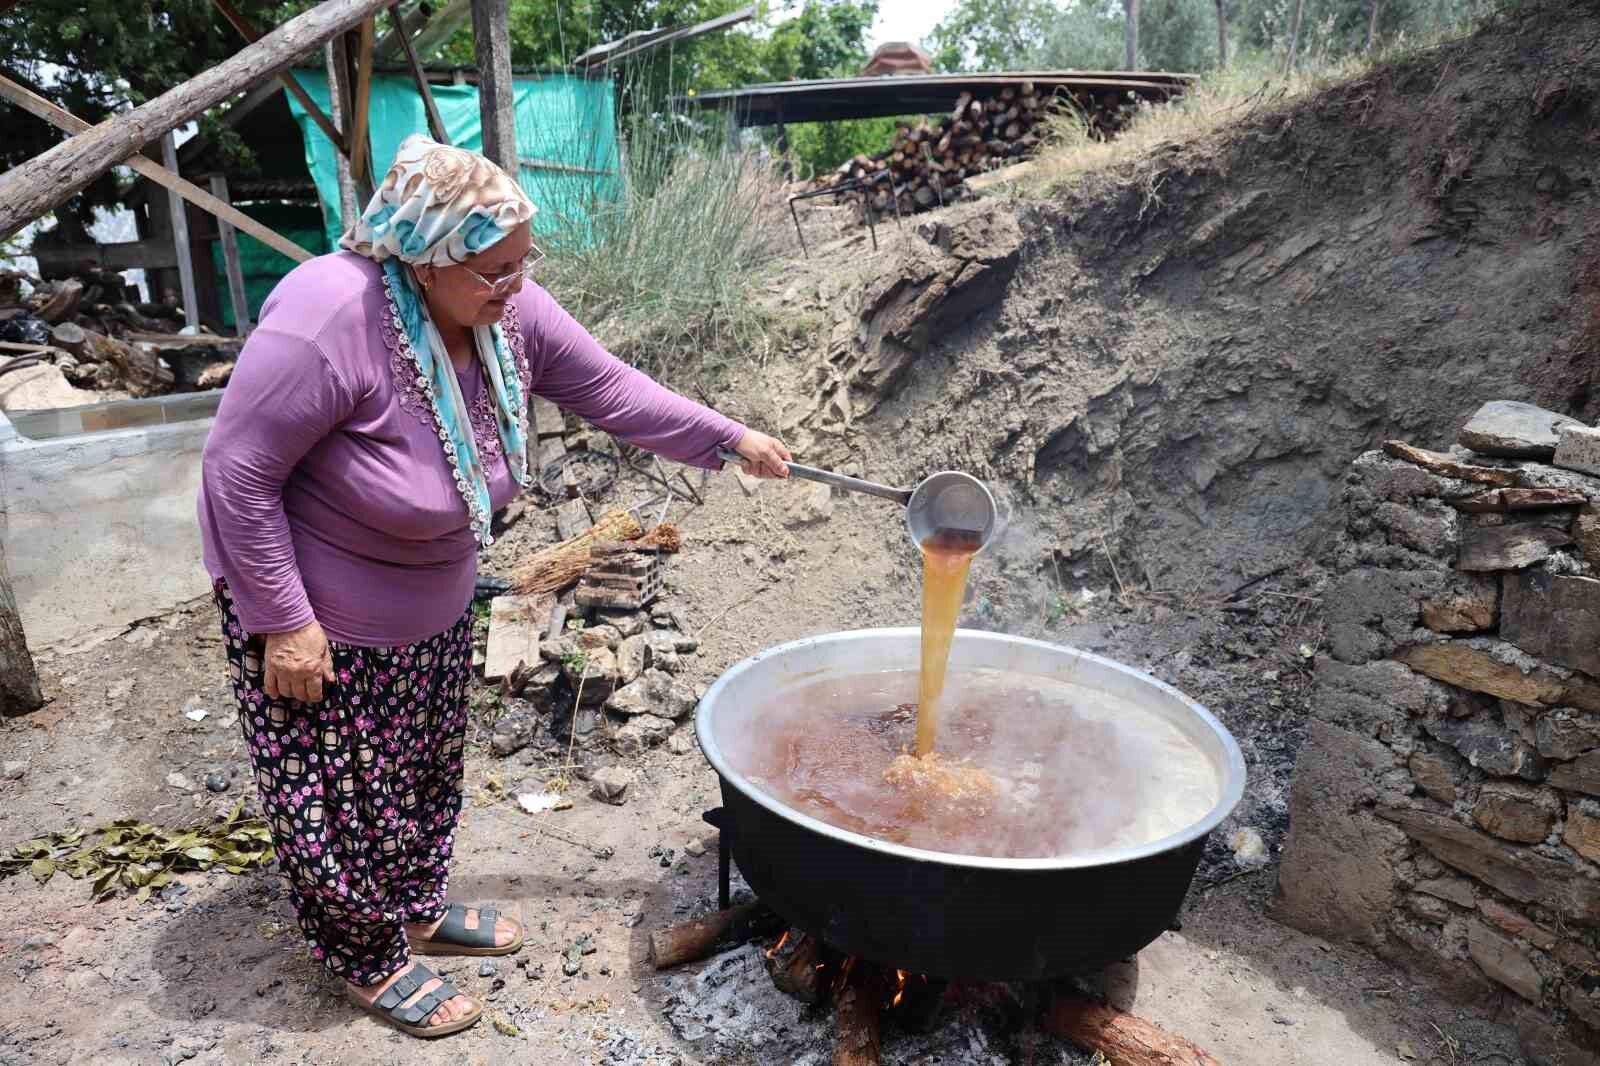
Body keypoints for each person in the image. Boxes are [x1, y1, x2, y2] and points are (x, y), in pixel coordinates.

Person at [197, 135, 791, 1039]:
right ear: (426, 259)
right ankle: (365, 956)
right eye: (496, 270)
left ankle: (419, 909)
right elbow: (236, 474)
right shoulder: (329, 321)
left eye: (524, 263)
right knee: (342, 796)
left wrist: (726, 438)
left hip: (431, 595)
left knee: (423, 772)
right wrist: (283, 620)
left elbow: (608, 388)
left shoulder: (500, 312)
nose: (517, 285)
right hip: (315, 613)